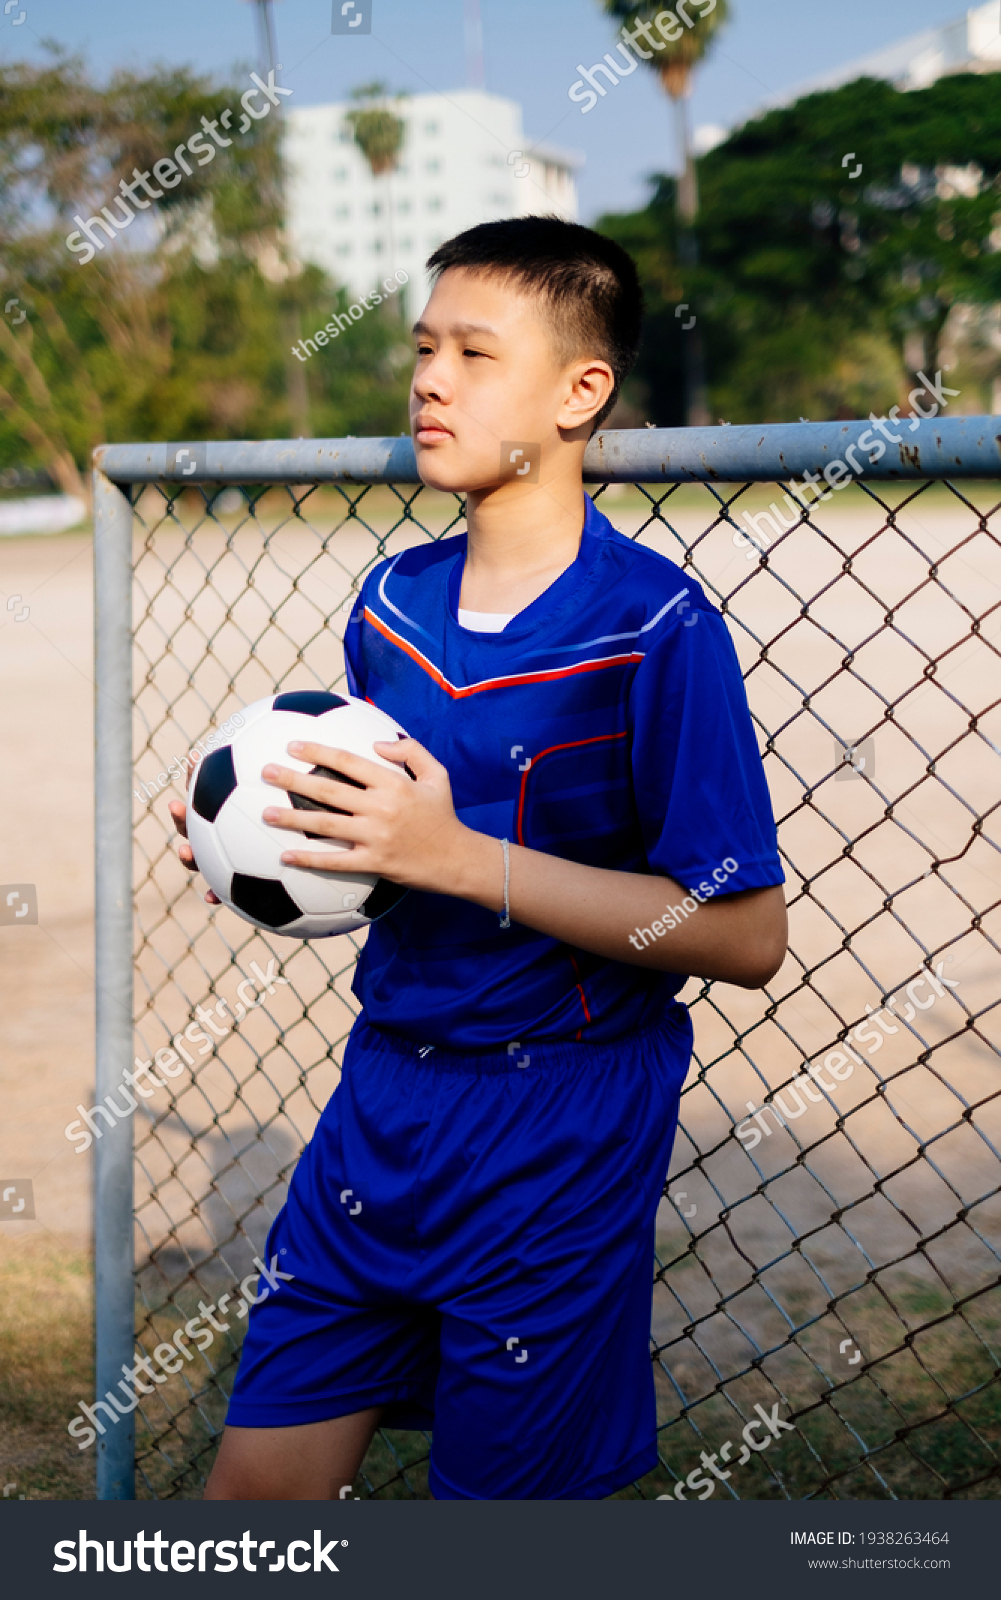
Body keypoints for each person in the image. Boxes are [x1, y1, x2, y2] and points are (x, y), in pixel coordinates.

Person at [170, 216, 787, 1501]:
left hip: (556, 1129)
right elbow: (385, 851)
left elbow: (740, 935)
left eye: (472, 353)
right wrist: (276, 843)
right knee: (249, 1510)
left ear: (579, 392)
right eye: (421, 347)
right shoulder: (387, 604)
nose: (429, 380)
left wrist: (463, 857)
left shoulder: (653, 629)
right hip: (380, 1102)